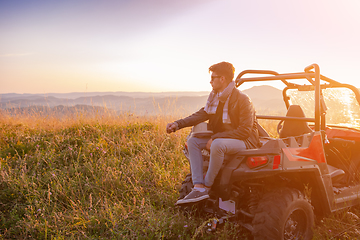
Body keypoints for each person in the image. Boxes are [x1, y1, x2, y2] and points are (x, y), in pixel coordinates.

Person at [166, 61, 261, 205]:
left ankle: (207, 187)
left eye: (213, 78)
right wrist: (177, 124)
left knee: (217, 144)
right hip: (225, 139)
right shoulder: (215, 98)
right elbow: (201, 114)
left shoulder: (242, 99)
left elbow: (245, 131)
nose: (210, 81)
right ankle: (197, 185)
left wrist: (216, 137)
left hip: (245, 141)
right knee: (193, 141)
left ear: (222, 79)